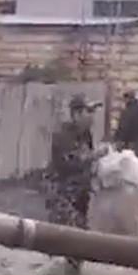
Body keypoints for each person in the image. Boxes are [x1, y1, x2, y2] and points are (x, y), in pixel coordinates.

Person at [44, 93, 100, 232]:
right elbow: (71, 162)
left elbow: (87, 165)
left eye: (94, 112)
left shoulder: (87, 135)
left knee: (82, 236)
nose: (92, 116)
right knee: (64, 237)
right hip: (63, 198)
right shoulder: (63, 135)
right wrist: (95, 156)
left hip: (81, 196)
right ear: (76, 114)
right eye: (89, 111)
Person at [113, 90, 138, 155]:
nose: (124, 101)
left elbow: (124, 127)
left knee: (129, 160)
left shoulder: (127, 111)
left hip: (129, 142)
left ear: (127, 98)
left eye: (125, 98)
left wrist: (118, 138)